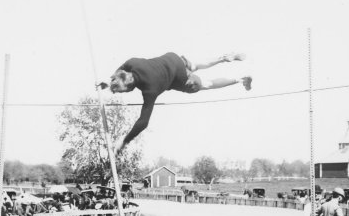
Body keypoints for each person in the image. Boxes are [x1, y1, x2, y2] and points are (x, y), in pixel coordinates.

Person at [102, 52, 252, 153]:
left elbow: (143, 122)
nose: (126, 93)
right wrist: (109, 83)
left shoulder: (150, 89)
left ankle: (240, 80)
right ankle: (222, 58)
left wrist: (124, 141)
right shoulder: (131, 63)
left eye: (125, 91)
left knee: (207, 84)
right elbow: (119, 71)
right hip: (173, 58)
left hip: (178, 77)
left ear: (129, 85)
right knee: (194, 66)